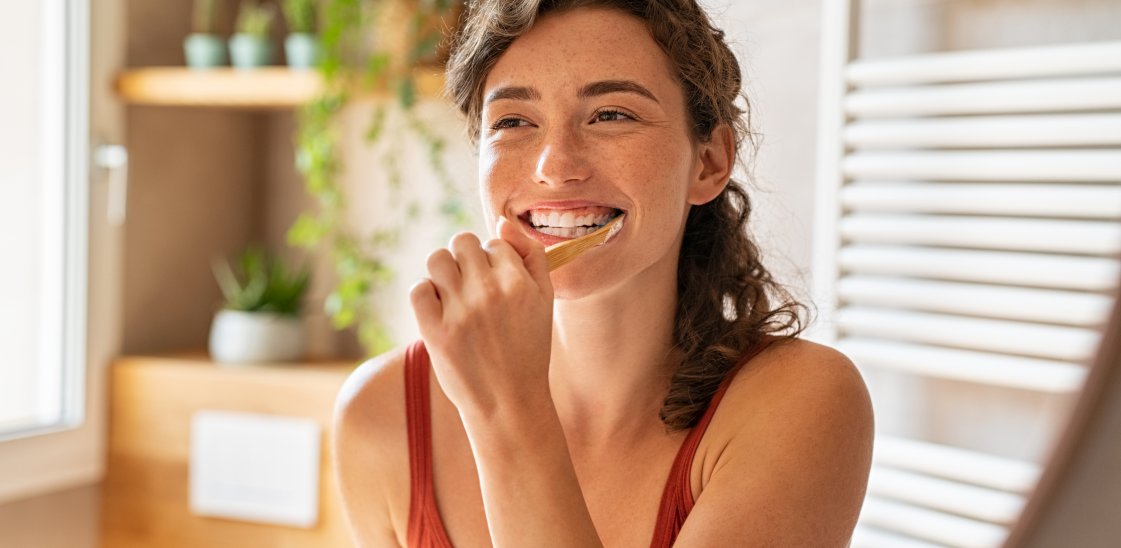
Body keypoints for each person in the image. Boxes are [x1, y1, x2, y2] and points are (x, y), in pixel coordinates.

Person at [333, 0, 874, 546]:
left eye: (612, 114)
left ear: (708, 162)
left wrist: (506, 409)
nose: (555, 165)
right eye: (514, 121)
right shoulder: (382, 416)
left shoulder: (802, 404)